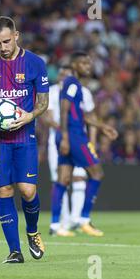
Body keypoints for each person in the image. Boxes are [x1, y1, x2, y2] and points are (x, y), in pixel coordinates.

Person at [0, 16, 49, 263]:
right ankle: (14, 251)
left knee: (27, 191)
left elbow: (43, 103)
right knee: (3, 190)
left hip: (24, 135)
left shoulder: (35, 63)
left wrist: (29, 116)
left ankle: (33, 231)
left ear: (16, 35)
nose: (3, 47)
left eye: (7, 41)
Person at [50, 51, 118, 237]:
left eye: (89, 63)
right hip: (73, 136)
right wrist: (65, 136)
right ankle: (84, 220)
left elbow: (84, 115)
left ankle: (56, 225)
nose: (88, 66)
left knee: (63, 179)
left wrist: (103, 127)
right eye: (83, 63)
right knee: (97, 173)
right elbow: (64, 110)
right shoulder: (72, 83)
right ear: (74, 65)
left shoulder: (76, 86)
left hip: (68, 135)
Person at [44, 65, 97, 236]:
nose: (62, 77)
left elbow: (90, 117)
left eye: (66, 75)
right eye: (61, 74)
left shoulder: (85, 92)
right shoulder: (51, 92)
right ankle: (62, 222)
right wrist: (64, 132)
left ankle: (76, 220)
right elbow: (48, 116)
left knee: (80, 177)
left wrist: (92, 142)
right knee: (61, 180)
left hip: (80, 140)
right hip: (58, 141)